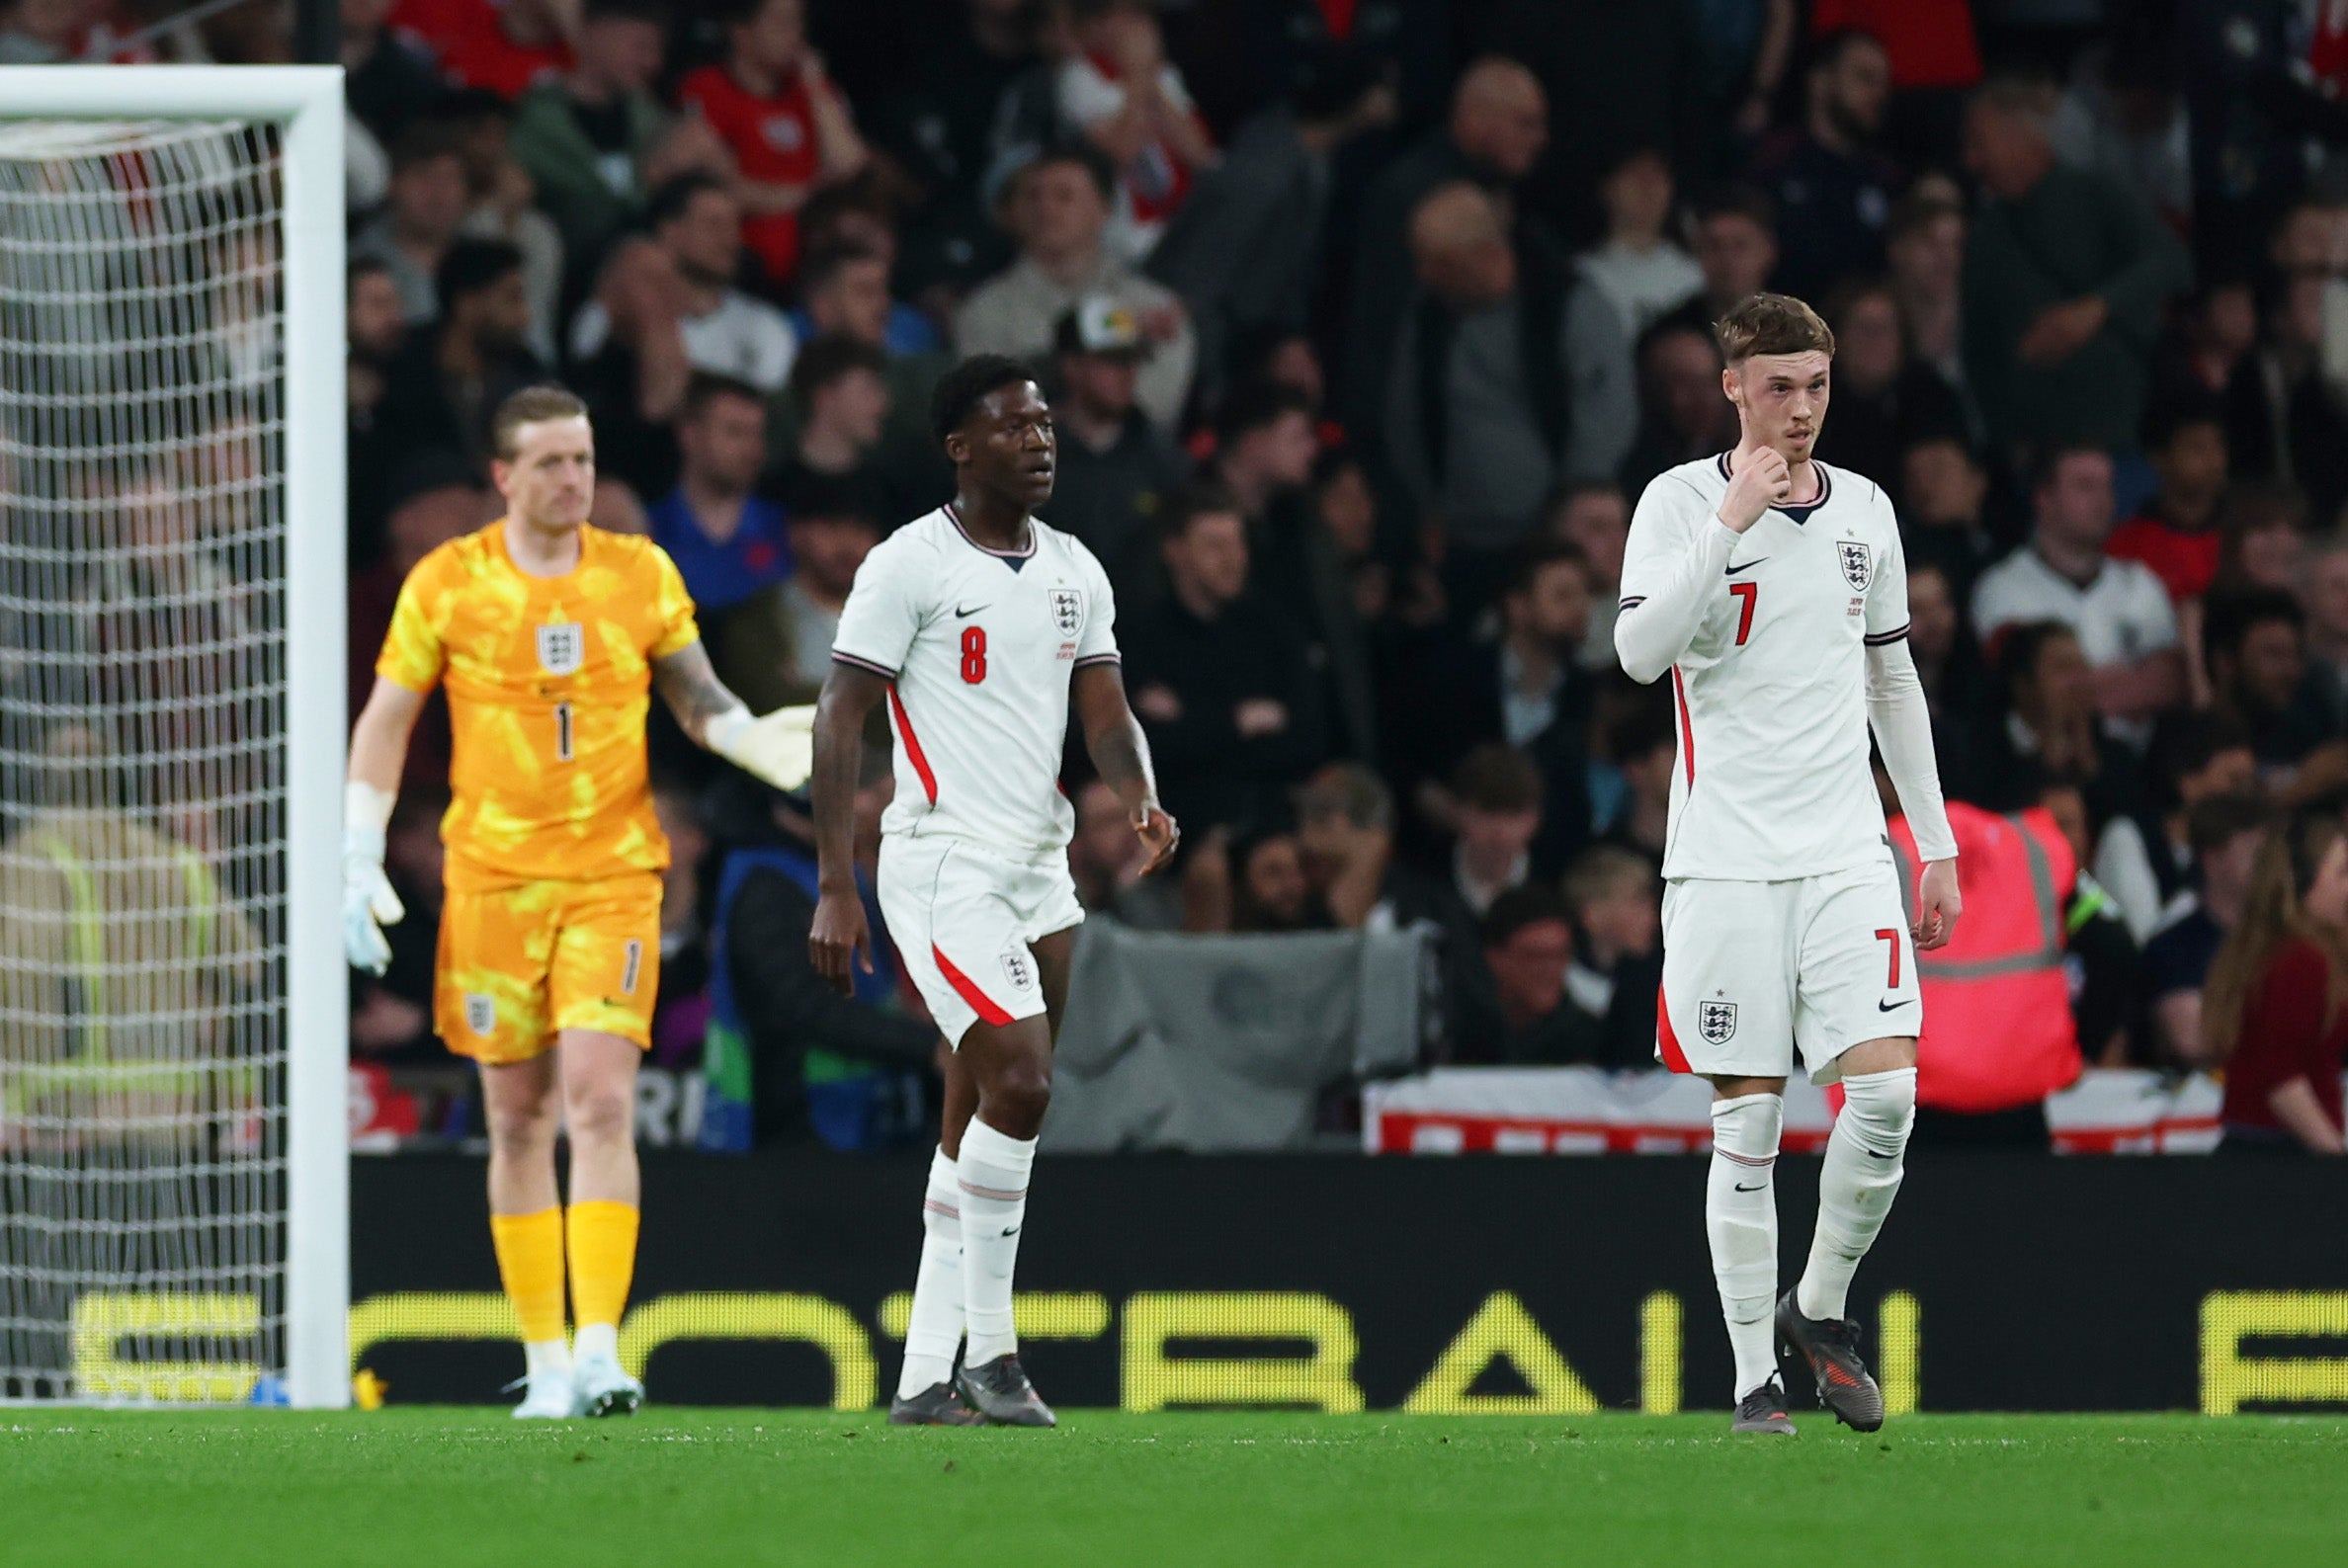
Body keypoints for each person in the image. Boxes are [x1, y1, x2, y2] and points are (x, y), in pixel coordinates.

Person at [341, 385, 815, 1421]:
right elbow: (386, 717)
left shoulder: (636, 572)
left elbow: (695, 694)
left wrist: (746, 736)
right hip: (493, 883)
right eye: (551, 462)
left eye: (585, 459)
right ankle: (545, 1357)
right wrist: (357, 846)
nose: (574, 480)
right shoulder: (450, 582)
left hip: (612, 875)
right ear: (505, 477)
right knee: (516, 1120)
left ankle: (602, 1348)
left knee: (601, 1101)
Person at [808, 355, 1179, 1427]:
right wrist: (837, 880)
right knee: (1021, 1083)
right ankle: (994, 1356)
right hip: (939, 862)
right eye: (1014, 427)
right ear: (960, 448)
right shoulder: (907, 564)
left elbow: (1104, 712)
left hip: (1040, 868)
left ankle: (925, 1373)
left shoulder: (1075, 570)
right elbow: (841, 714)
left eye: (1048, 424)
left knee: (976, 1111)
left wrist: (1140, 797)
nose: (1041, 440)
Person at [1614, 292, 1962, 1437]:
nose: (1802, 409)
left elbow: (1892, 681)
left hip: (1844, 853)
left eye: (1816, 387)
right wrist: (1727, 523)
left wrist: (1935, 842)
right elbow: (1636, 654)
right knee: (1748, 1127)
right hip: (1721, 862)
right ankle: (1751, 1378)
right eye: (1779, 387)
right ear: (1733, 388)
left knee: (1890, 1097)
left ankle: (1820, 1309)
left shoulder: (1865, 510)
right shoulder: (1675, 502)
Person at [1384, 182, 1635, 614]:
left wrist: (1574, 506)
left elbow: (1606, 409)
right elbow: (1405, 416)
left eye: (1438, 263)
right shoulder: (1429, 319)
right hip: (1460, 543)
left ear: (1483, 253)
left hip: (1552, 543)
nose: (1425, 275)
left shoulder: (1569, 305)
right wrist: (1423, 505)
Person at [1961, 73, 2192, 455]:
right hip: (2031, 445)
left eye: (1980, 141)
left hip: (2120, 429)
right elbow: (1980, 350)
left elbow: (2172, 260)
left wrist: (2094, 310)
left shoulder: (2095, 192)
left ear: (2021, 135)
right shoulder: (1985, 234)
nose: (1972, 159)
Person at [1122, 487, 1325, 835]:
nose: (1233, 559)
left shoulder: (1275, 631)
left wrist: (1188, 718)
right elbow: (1147, 752)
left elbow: (1306, 738)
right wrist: (1238, 723)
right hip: (1180, 824)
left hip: (1271, 816)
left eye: (1237, 544)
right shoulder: (1142, 638)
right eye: (1215, 546)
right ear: (1176, 551)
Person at [954, 145, 1197, 433]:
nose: (1046, 208)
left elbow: (1159, 408)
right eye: (1033, 196)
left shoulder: (1153, 305)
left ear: (1104, 209)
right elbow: (989, 409)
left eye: (1064, 196)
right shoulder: (984, 310)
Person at [1970, 446, 2184, 734]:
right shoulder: (2001, 587)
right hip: (2040, 766)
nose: (2103, 501)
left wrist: (2074, 687)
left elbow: (2169, 683)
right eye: (2085, 487)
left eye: (2107, 487)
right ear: (2045, 498)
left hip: (2135, 767)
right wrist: (2129, 679)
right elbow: (2033, 695)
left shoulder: (2139, 580)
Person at [680, 0, 871, 287]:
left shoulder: (812, 90)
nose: (795, 34)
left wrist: (815, 87)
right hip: (744, 265)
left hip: (814, 266)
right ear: (741, 33)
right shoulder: (707, 88)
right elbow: (725, 188)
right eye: (782, 23)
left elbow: (851, 167)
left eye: (798, 23)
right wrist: (811, 195)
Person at [568, 175, 798, 397]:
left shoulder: (765, 326)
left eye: (734, 225)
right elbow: (582, 354)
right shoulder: (621, 309)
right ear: (670, 231)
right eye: (714, 224)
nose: (730, 239)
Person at [2203, 812, 2348, 1154]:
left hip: (2258, 1143)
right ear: (2302, 883)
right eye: (2342, 874)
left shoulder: (2273, 951)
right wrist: (2332, 1155)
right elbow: (2282, 1078)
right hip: (2282, 1152)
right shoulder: (2303, 960)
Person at [1043, 298, 1192, 600]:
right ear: (1072, 367)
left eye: (1132, 360)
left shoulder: (1163, 460)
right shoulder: (1032, 453)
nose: (1128, 374)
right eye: (1112, 361)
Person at [1750, 30, 1904, 303]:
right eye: (1864, 78)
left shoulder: (1886, 177)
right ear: (1820, 81)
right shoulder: (1773, 161)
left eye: (1884, 83)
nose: (1879, 94)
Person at [2142, 791, 2274, 1068]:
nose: (2269, 866)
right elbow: (2193, 1041)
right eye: (2255, 853)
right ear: (2213, 860)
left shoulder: (2284, 937)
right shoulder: (2173, 946)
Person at [648, 375, 791, 617]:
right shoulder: (650, 531)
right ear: (689, 435)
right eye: (736, 432)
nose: (753, 450)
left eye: (757, 434)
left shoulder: (783, 532)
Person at [351, 124, 471, 328]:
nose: (439, 195)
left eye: (449, 179)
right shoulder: (357, 259)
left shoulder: (479, 257)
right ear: (392, 184)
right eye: (424, 176)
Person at [1575, 147, 1703, 339]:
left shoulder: (1696, 275)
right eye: (1635, 174)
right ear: (1607, 187)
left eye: (1657, 175)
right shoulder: (1586, 276)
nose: (1648, 185)